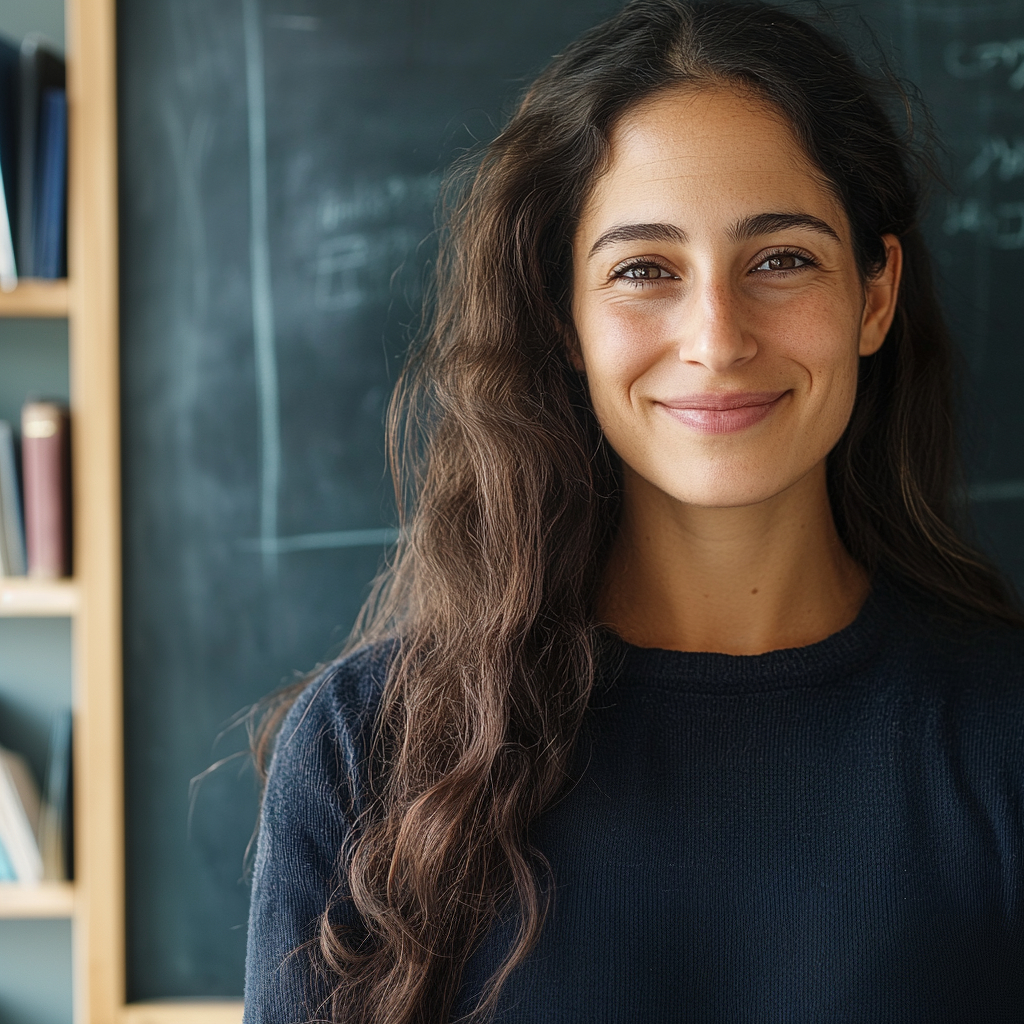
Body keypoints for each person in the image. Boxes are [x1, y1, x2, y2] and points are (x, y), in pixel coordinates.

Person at [244, 2, 1024, 1021]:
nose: (717, 338)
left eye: (781, 259)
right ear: (563, 319)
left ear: (873, 296)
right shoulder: (369, 753)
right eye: (643, 270)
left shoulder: (1004, 735)